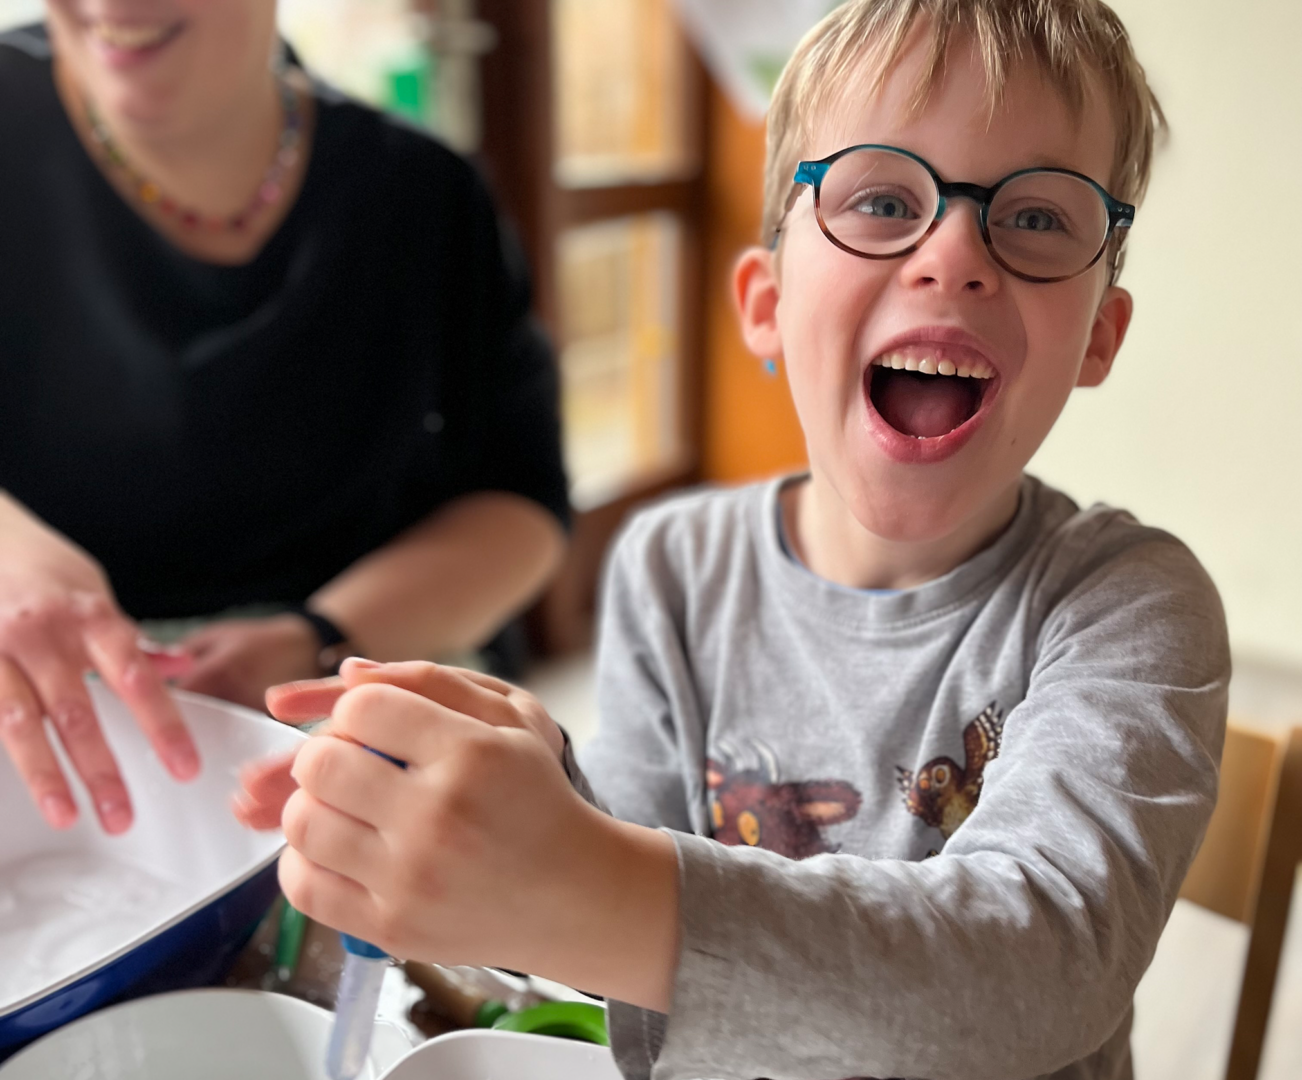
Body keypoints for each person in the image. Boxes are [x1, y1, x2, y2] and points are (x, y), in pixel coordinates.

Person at [238, 1, 1230, 1077]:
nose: (954, 253)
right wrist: (538, 797)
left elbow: (1044, 964)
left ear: (1100, 335)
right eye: (884, 197)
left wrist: (577, 878)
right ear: (763, 304)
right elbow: (624, 925)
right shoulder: (675, 567)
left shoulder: (1130, 603)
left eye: (1036, 218)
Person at [0, 2, 568, 837]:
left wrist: (317, 635)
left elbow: (520, 504)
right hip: (41, 704)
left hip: (336, 681)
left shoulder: (421, 193)